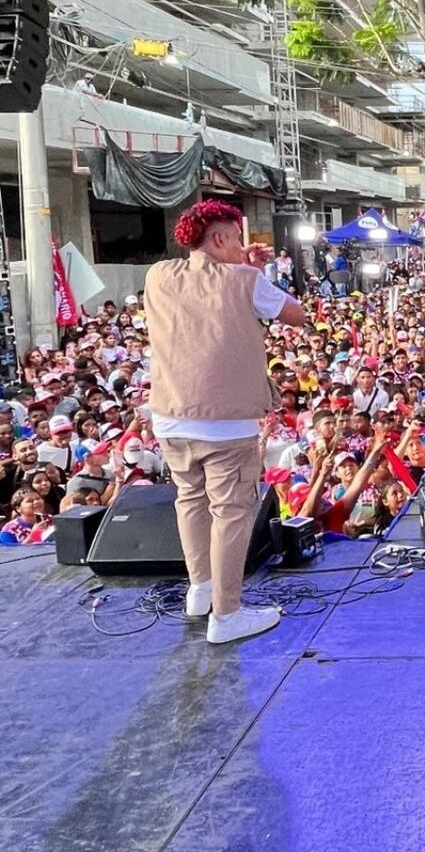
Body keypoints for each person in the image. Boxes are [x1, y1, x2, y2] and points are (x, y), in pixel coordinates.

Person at [144, 199, 306, 645]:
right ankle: (227, 614)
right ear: (219, 238)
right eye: (236, 238)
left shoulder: (157, 275)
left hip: (170, 416)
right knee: (230, 512)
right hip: (226, 422)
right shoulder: (246, 280)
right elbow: (297, 314)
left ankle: (201, 591)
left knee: (189, 500)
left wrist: (242, 269)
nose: (242, 246)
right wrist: (254, 273)